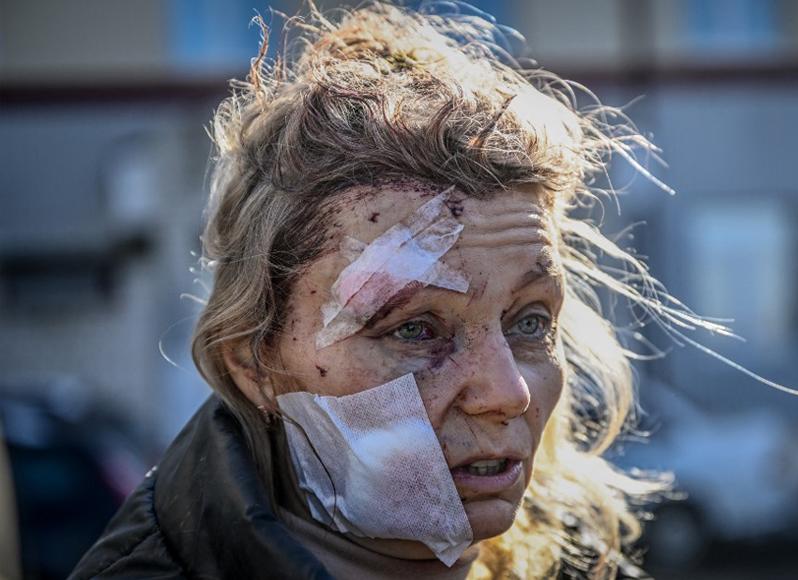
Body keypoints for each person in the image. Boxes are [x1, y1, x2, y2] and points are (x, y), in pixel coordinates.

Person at [70, 2, 722, 578]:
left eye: (529, 322)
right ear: (254, 363)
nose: (508, 393)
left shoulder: (573, 562)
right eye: (414, 328)